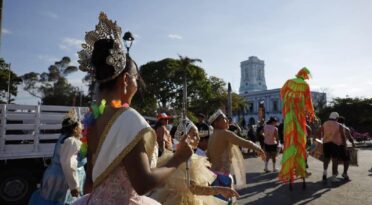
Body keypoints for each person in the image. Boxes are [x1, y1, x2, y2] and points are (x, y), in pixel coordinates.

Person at [72, 12, 192, 205]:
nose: (137, 84)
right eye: (136, 78)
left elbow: (90, 182)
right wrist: (179, 158)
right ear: (126, 80)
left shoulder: (92, 118)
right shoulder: (128, 119)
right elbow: (143, 184)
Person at [151, 118, 238, 204]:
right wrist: (219, 190)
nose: (198, 138)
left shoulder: (180, 157)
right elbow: (194, 189)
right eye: (194, 135)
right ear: (184, 137)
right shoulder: (186, 160)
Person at [29, 109, 86, 205]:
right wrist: (74, 186)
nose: (82, 128)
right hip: (61, 179)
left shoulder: (63, 137)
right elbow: (68, 164)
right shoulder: (72, 141)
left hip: (54, 174)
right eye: (80, 126)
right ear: (75, 128)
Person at [207, 109, 265, 202]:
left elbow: (208, 156)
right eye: (224, 119)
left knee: (217, 202)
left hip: (213, 175)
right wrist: (258, 148)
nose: (227, 121)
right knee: (225, 202)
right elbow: (243, 142)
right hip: (223, 176)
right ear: (216, 123)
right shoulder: (224, 133)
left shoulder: (212, 136)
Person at [278, 67, 316, 189]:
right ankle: (301, 169)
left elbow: (282, 94)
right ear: (305, 76)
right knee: (300, 142)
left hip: (289, 116)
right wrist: (311, 114)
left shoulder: (289, 82)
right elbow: (308, 102)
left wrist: (288, 105)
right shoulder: (305, 85)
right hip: (299, 117)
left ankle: (289, 170)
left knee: (290, 141)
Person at [318, 112, 346, 182]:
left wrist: (320, 140)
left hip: (326, 144)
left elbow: (319, 132)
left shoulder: (325, 123)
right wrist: (345, 145)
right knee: (334, 160)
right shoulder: (339, 125)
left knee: (326, 159)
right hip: (335, 144)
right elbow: (343, 136)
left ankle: (324, 173)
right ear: (336, 118)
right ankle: (333, 177)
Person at [337, 116, 356, 180]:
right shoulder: (345, 128)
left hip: (334, 145)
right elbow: (350, 138)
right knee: (346, 160)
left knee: (335, 159)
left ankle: (335, 172)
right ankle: (344, 173)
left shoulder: (333, 127)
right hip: (343, 146)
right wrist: (353, 144)